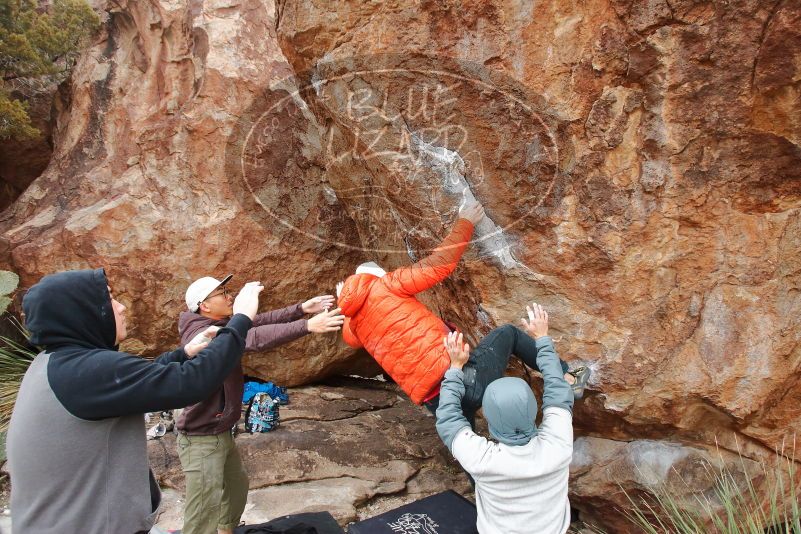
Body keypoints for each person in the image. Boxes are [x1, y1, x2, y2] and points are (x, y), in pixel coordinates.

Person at [7, 268, 264, 534]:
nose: (121, 307)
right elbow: (193, 383)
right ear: (82, 311)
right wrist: (241, 319)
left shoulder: (54, 363)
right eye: (109, 300)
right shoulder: (88, 371)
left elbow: (138, 378)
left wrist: (183, 353)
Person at [336, 202, 589, 422]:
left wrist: (344, 306)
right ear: (373, 277)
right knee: (508, 334)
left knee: (470, 454)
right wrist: (465, 222)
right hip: (464, 379)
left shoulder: (356, 323)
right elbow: (437, 267)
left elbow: (350, 337)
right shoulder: (386, 285)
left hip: (438, 403)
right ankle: (567, 377)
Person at [176, 274, 345, 534]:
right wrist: (307, 326)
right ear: (204, 305)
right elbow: (251, 338)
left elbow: (256, 322)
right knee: (202, 510)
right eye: (222, 293)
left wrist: (300, 310)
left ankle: (226, 531)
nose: (229, 296)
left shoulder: (217, 322)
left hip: (221, 431)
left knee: (235, 488)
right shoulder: (201, 333)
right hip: (201, 438)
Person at [435, 304, 574, 534]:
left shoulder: (482, 460)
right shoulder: (558, 444)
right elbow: (557, 389)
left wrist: (455, 368)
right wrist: (542, 338)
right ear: (534, 409)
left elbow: (448, 417)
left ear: (489, 420)